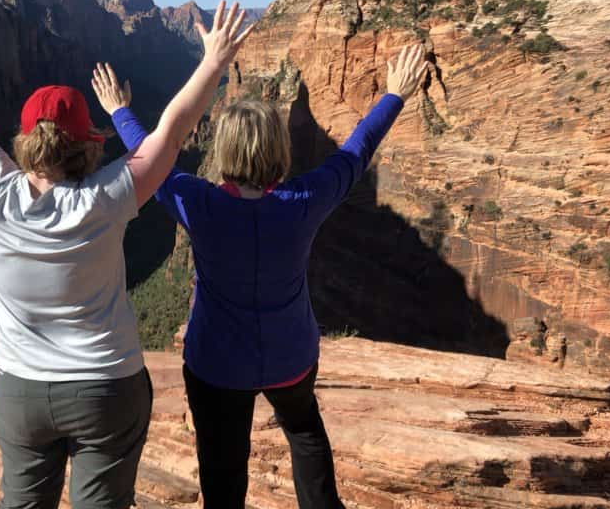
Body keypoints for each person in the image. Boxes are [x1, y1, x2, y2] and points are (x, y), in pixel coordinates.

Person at [0, 0, 253, 509]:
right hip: (107, 387)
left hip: (22, 389)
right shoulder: (109, 196)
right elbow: (173, 126)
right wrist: (213, 61)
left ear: (25, 144)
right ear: (87, 147)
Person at [93, 44, 428, 509]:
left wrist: (118, 111)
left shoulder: (198, 202)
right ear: (279, 149)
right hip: (291, 355)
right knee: (305, 432)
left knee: (222, 467)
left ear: (222, 148)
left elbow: (153, 155)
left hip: (216, 364)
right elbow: (355, 153)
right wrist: (394, 95)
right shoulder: (305, 200)